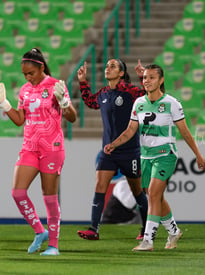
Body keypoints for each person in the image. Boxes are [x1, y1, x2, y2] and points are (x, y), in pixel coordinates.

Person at [104, 64, 205, 251]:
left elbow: (184, 131)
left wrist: (198, 154)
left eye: (151, 77)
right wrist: (114, 144)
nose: (147, 81)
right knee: (153, 195)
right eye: (145, 78)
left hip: (165, 154)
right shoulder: (139, 103)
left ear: (161, 80)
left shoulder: (172, 103)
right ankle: (173, 231)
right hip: (146, 156)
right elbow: (130, 131)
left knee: (153, 193)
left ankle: (148, 240)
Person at [0, 48, 77, 256]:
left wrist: (65, 103)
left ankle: (53, 245)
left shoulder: (56, 86)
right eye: (24, 74)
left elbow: (72, 118)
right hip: (29, 147)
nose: (27, 77)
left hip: (52, 148)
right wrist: (4, 104)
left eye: (31, 73)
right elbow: (19, 120)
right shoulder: (24, 89)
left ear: (41, 67)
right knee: (17, 192)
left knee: (49, 198)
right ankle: (39, 231)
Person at [76, 59, 149, 241]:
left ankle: (146, 229)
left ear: (122, 73)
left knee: (138, 192)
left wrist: (142, 76)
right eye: (107, 65)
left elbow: (150, 95)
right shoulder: (104, 93)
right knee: (100, 187)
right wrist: (83, 82)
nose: (107, 68)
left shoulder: (131, 91)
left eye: (113, 66)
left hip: (130, 151)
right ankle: (93, 229)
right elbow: (91, 102)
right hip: (108, 151)